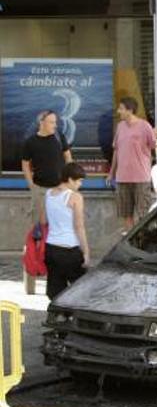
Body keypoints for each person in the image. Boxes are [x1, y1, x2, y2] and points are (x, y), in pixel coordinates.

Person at [107, 97, 156, 232]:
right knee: (126, 215)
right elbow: (116, 150)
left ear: (130, 110)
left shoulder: (145, 126)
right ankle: (130, 242)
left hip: (141, 178)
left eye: (121, 109)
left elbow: (154, 146)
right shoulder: (120, 126)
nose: (118, 111)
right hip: (122, 178)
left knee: (142, 215)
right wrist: (111, 173)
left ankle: (141, 244)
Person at [42, 163, 89, 300]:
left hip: (51, 248)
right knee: (80, 287)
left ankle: (59, 315)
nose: (80, 184)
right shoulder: (75, 197)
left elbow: (43, 220)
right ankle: (74, 316)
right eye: (79, 181)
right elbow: (79, 226)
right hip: (70, 249)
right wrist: (86, 251)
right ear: (69, 179)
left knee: (55, 287)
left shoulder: (49, 193)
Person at [22, 110, 73, 227]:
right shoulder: (30, 142)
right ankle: (40, 245)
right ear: (41, 122)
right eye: (51, 122)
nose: (55, 125)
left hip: (60, 189)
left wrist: (69, 180)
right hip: (40, 189)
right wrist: (31, 184)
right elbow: (25, 164)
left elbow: (68, 157)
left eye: (55, 122)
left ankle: (56, 245)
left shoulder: (59, 136)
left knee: (60, 222)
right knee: (40, 224)